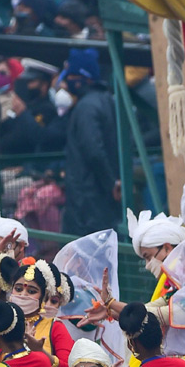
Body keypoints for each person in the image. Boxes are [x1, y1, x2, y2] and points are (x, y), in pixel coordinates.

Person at [62, 48, 121, 236]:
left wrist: (110, 183)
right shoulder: (106, 99)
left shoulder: (87, 106)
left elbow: (94, 150)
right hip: (98, 196)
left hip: (89, 198)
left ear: (85, 78)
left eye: (72, 75)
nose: (66, 81)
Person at [7, 259, 76, 367]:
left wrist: (40, 352)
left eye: (31, 291)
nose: (23, 295)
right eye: (18, 289)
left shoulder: (55, 327)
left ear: (44, 297)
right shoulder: (2, 322)